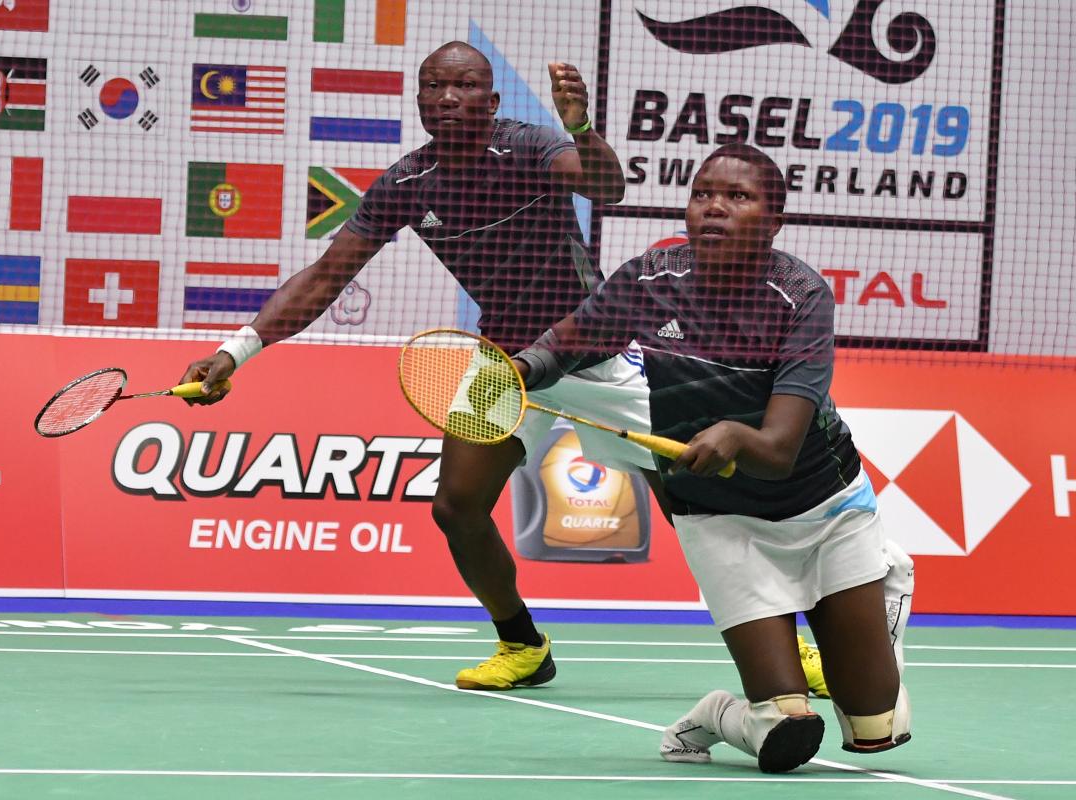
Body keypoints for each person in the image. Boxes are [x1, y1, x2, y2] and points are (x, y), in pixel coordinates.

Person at [180, 42, 829, 693]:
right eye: (433, 86)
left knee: (701, 508)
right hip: (507, 364)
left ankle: (789, 644)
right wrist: (238, 350)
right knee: (457, 506)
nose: (446, 98)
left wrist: (579, 125)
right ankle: (522, 644)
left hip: (596, 353)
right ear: (419, 101)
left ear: (491, 102)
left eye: (463, 86)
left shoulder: (529, 148)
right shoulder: (408, 183)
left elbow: (607, 186)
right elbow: (326, 275)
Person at [511, 143, 913, 771]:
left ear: (774, 220)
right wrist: (522, 369)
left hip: (825, 507)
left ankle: (881, 584)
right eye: (702, 194)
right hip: (720, 521)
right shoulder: (652, 276)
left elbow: (777, 451)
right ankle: (715, 715)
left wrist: (731, 434)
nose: (714, 210)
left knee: (875, 729)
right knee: (784, 726)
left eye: (737, 197)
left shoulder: (801, 296)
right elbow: (572, 338)